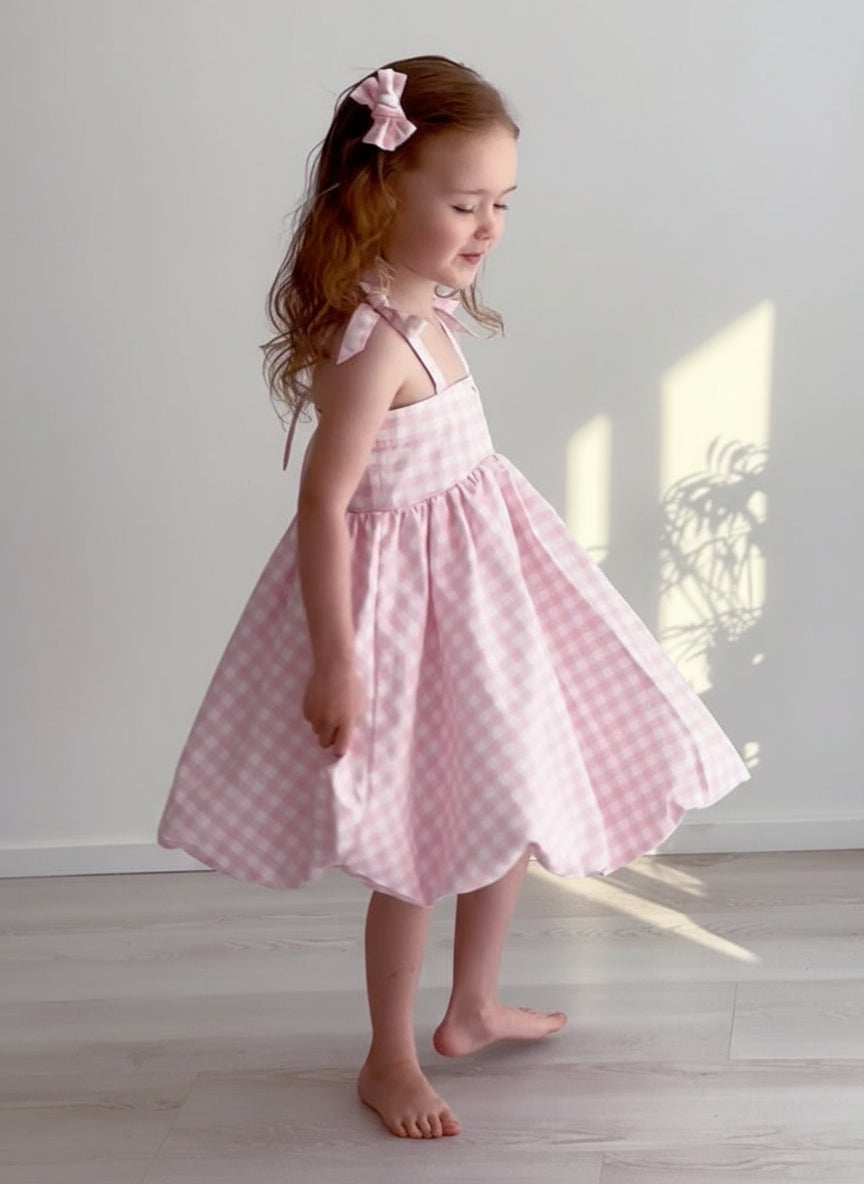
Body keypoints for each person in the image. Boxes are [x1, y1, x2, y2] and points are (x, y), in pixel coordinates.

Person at [157, 55, 750, 1140]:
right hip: (404, 623)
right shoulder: (369, 346)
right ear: (381, 193)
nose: (487, 227)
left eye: (500, 205)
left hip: (483, 602)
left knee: (511, 795)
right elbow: (324, 507)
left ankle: (471, 1005)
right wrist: (336, 658)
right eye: (464, 203)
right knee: (419, 843)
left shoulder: (430, 311)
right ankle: (387, 1054)